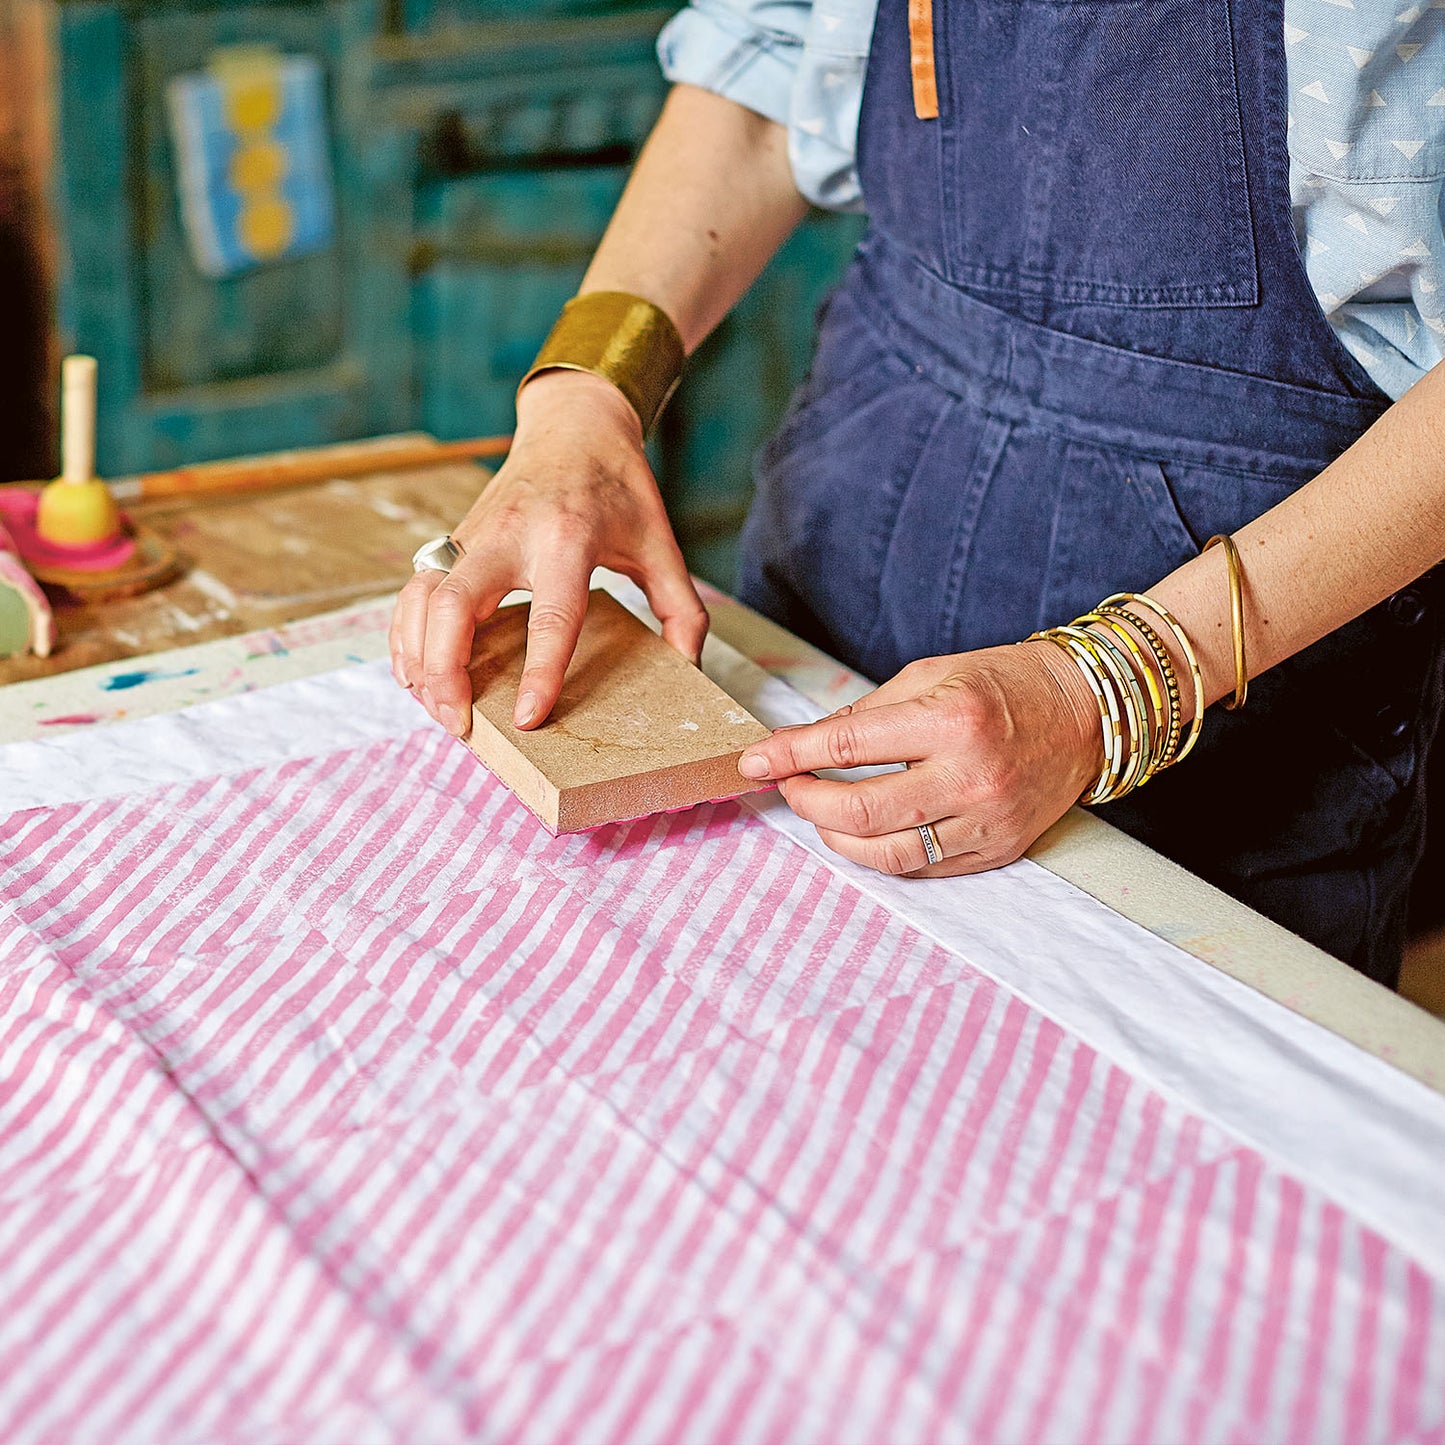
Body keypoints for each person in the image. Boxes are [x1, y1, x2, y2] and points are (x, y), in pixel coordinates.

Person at [390, 0, 1445, 988]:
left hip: (1246, 634)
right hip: (861, 495)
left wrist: (1116, 685)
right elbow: (767, 59)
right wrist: (583, 401)